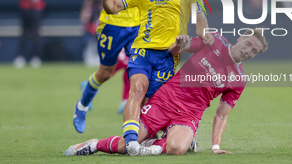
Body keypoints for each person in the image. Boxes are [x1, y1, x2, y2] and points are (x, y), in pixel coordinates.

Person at [64, 28, 268, 156]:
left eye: (254, 51)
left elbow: (221, 115)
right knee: (126, 145)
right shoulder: (213, 40)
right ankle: (93, 145)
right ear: (241, 37)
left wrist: (215, 147)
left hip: (189, 114)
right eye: (248, 44)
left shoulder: (239, 80)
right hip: (165, 101)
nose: (248, 51)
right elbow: (175, 50)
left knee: (177, 149)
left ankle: (162, 143)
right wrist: (180, 44)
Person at [96, 0, 213, 156]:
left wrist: (193, 43)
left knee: (153, 107)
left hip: (168, 56)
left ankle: (161, 138)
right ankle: (131, 142)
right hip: (142, 51)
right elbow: (113, 7)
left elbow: (202, 30)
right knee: (137, 89)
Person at [73, 0, 150, 133]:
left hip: (136, 26)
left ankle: (139, 129)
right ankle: (82, 105)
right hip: (112, 24)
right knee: (105, 73)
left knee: (139, 76)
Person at [13, 0, 49, 68]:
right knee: (23, 36)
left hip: (36, 13)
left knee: (36, 36)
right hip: (26, 12)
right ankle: (20, 57)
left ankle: (35, 57)